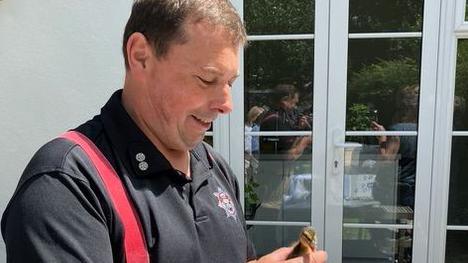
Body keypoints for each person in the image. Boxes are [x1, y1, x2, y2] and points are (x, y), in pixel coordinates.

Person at [1, 1, 327, 263]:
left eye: (229, 83)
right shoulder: (67, 185)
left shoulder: (215, 167)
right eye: (206, 79)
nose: (227, 104)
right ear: (141, 55)